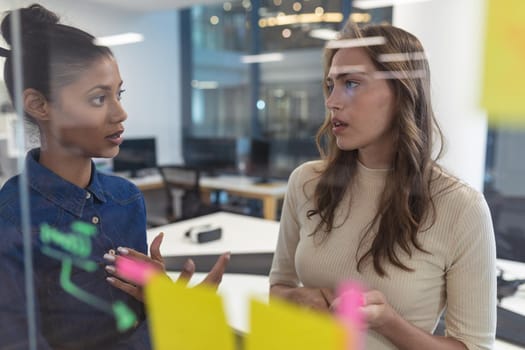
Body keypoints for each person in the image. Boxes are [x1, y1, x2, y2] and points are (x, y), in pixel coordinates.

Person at [0, 4, 228, 349]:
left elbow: (136, 310)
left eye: (118, 94)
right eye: (98, 98)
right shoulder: (11, 221)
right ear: (38, 105)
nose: (121, 113)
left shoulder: (126, 199)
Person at [269, 21, 496, 350]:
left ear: (403, 91)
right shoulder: (307, 182)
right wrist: (299, 299)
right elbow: (279, 288)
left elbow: (474, 347)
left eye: (351, 84)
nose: (332, 101)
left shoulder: (461, 207)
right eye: (330, 85)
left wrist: (389, 323)